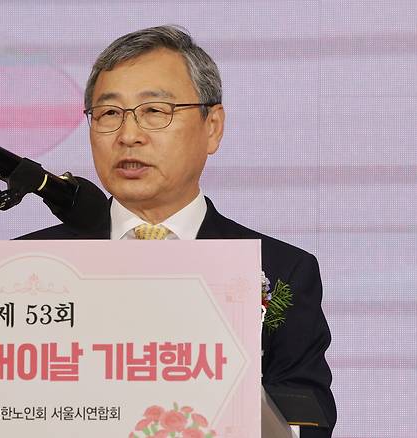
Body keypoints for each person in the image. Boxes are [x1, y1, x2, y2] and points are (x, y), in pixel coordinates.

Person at [19, 25, 336, 437]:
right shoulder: (27, 265)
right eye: (109, 114)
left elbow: (306, 418)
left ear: (212, 126)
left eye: (155, 111)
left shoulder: (280, 269)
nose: (129, 136)